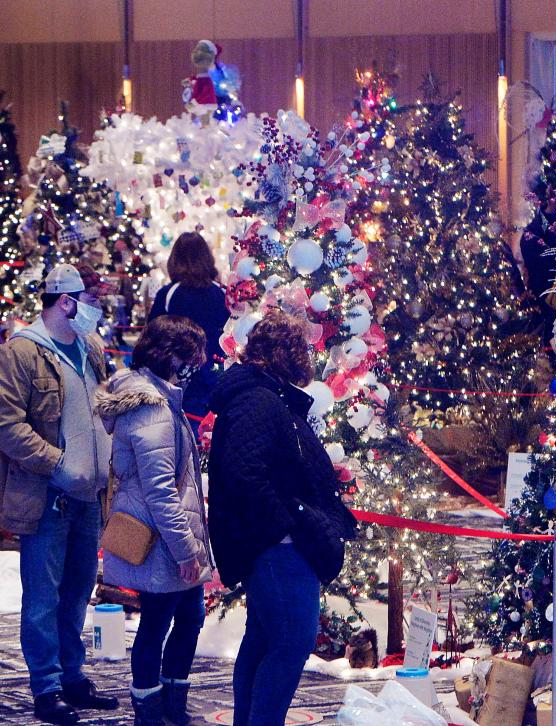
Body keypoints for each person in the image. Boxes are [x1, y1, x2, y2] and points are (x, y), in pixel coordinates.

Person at [206, 311, 357, 726]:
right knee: (292, 640)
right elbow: (244, 474)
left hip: (274, 542)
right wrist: (289, 525)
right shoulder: (258, 399)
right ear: (286, 353)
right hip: (277, 546)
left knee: (264, 638)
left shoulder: (264, 395)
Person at [0, 262, 120, 725]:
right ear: (67, 302)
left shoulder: (90, 347)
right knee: (43, 597)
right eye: (91, 300)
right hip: (47, 497)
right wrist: (58, 463)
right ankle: (46, 687)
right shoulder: (20, 353)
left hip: (89, 495)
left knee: (78, 590)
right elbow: (5, 425)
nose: (97, 309)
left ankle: (72, 676)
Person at [95, 315, 213, 726]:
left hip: (165, 531)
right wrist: (186, 550)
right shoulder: (153, 409)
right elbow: (161, 490)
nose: (196, 365)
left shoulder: (157, 399)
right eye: (190, 356)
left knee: (185, 615)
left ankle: (168, 702)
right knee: (160, 621)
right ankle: (151, 708)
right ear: (171, 357)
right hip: (160, 536)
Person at [148, 232, 230, 427]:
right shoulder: (222, 294)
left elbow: (151, 339)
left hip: (176, 383)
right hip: (216, 379)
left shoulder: (168, 295)